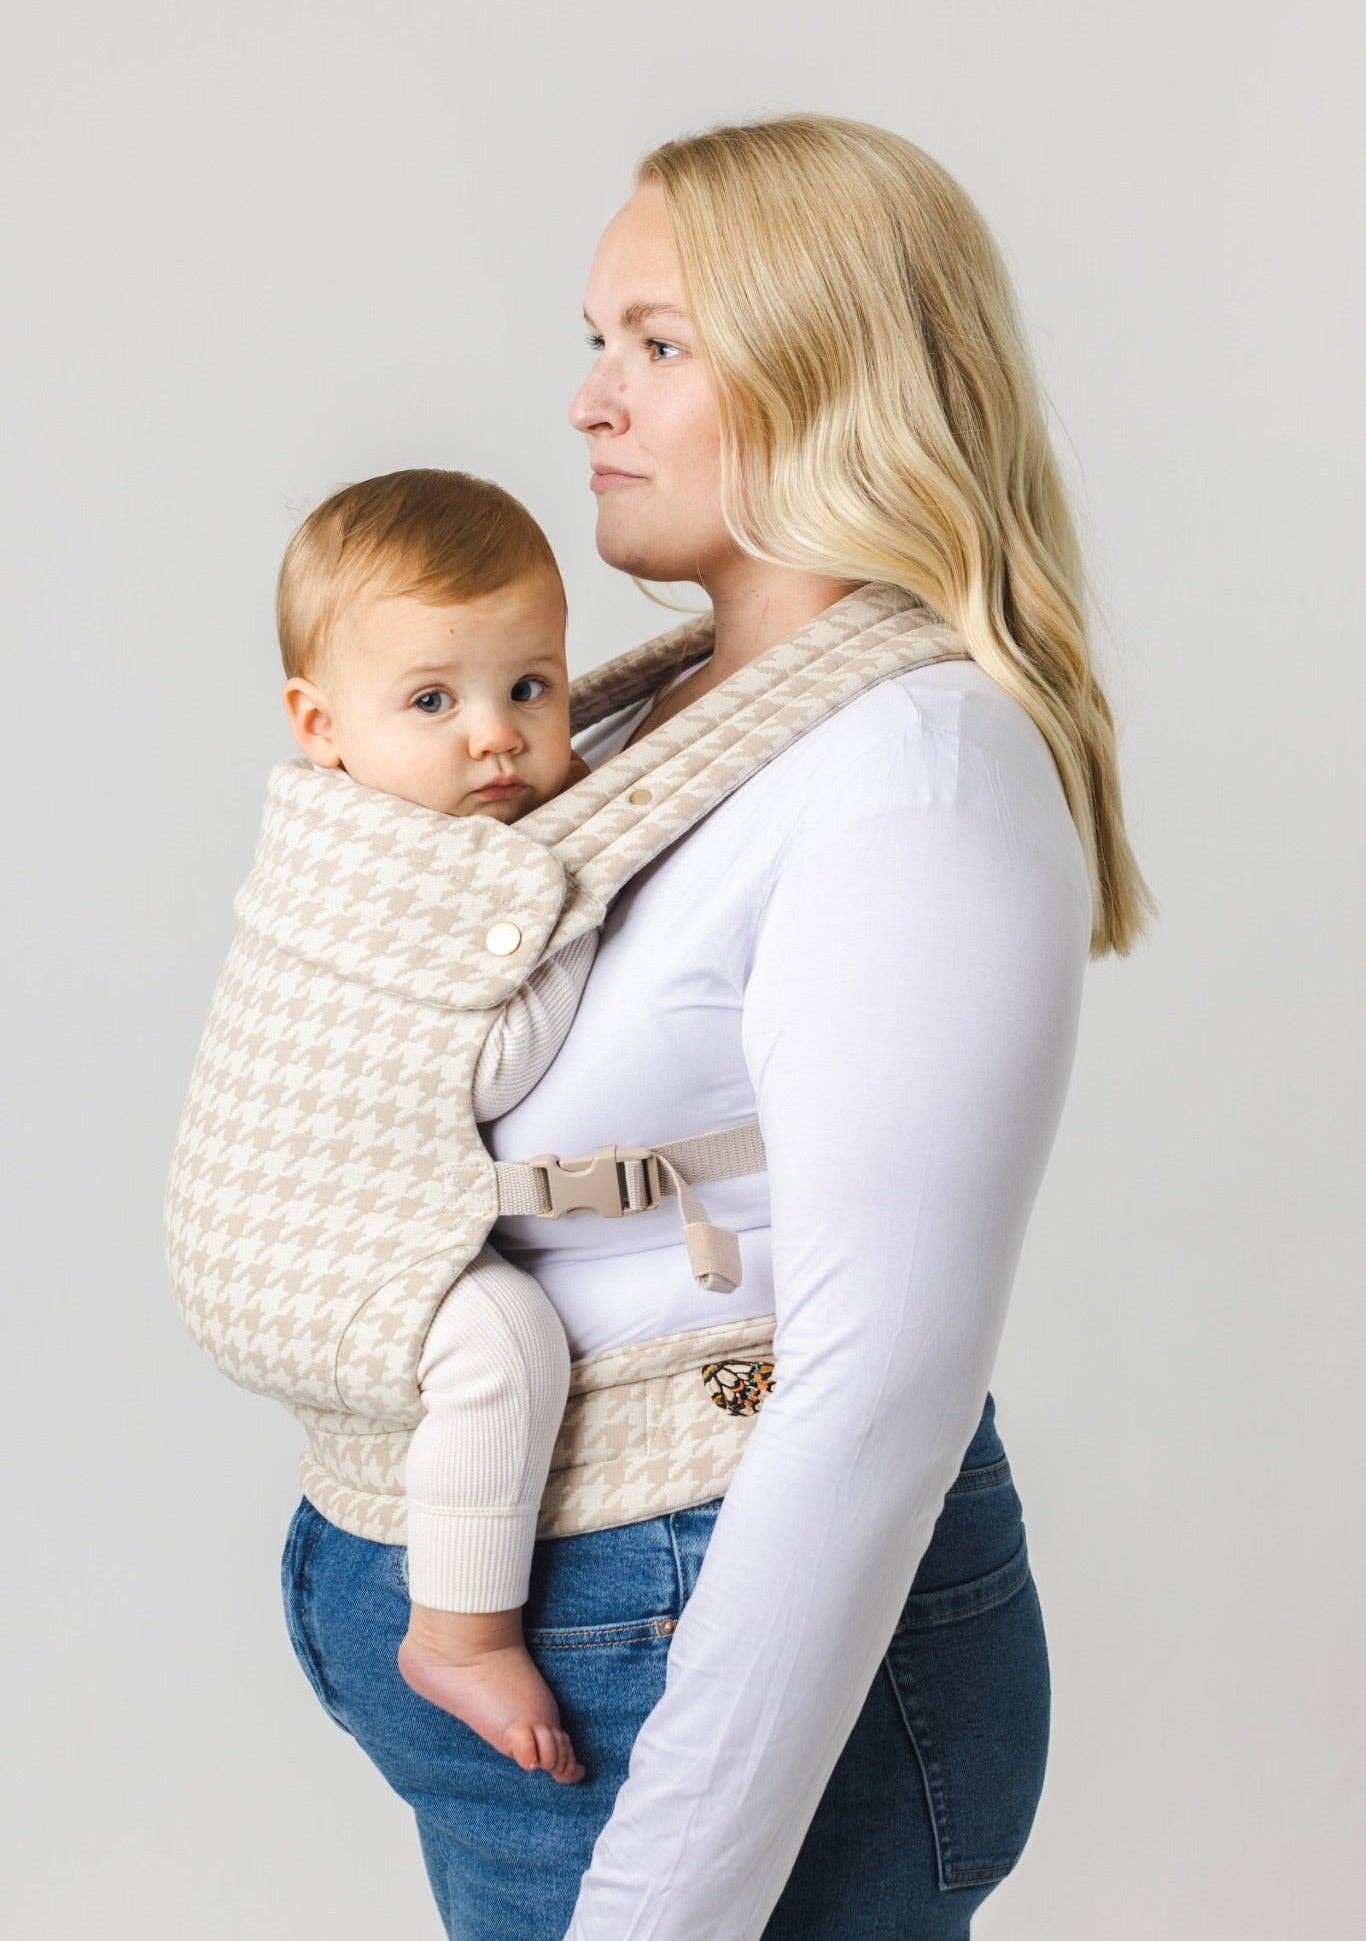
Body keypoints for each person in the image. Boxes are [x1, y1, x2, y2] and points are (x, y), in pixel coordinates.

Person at [280, 111, 1154, 1939]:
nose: (590, 399)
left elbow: (873, 1401)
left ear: (834, 371)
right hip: (574, 1627)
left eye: (658, 343)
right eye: (595, 339)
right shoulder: (636, 721)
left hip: (691, 1637)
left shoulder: (909, 771)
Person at [277, 467, 597, 1784]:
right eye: (432, 701)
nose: (495, 737)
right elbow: (483, 1065)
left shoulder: (425, 842)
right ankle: (459, 1632)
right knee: (502, 1341)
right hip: (298, 1235)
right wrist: (585, 919)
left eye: (530, 686)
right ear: (321, 727)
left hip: (327, 1226)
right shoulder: (380, 878)